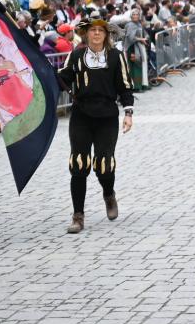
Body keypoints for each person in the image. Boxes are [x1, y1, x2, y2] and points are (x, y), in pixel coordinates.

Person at [56, 19, 135, 234]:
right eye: (93, 30)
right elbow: (63, 77)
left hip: (107, 116)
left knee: (104, 164)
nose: (97, 34)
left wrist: (128, 113)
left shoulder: (116, 57)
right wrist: (47, 73)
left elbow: (125, 86)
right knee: (79, 164)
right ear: (86, 34)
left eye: (101, 30)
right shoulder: (77, 56)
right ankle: (78, 215)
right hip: (81, 115)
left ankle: (109, 194)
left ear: (106, 34)